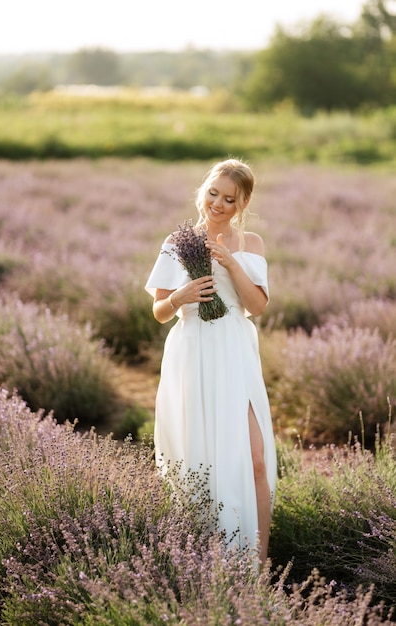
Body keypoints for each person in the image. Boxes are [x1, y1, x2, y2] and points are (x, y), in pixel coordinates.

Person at [145, 158, 276, 562]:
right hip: (193, 352)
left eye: (229, 198)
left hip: (235, 351)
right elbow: (160, 311)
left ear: (243, 203)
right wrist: (179, 297)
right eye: (213, 193)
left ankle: (258, 564)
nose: (218, 203)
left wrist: (230, 262)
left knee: (255, 460)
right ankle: (205, 559)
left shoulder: (250, 243)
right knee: (198, 458)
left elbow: (257, 306)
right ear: (204, 191)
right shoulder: (176, 241)